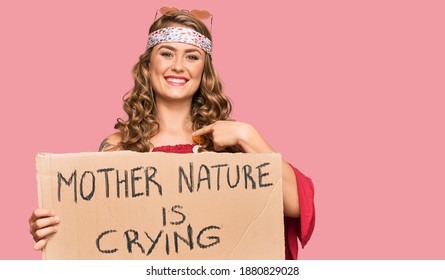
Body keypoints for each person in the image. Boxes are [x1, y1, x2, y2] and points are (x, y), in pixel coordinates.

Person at [29, 9, 315, 259]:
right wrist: (54, 226)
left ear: (204, 71)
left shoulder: (232, 142)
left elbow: (296, 204)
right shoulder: (118, 146)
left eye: (192, 56)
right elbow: (101, 232)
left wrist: (248, 135)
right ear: (148, 65)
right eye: (166, 53)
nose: (178, 66)